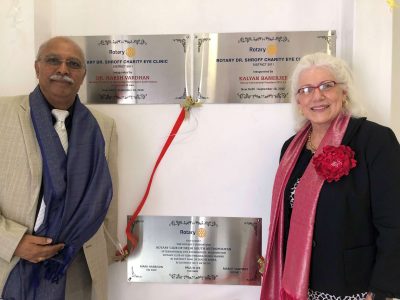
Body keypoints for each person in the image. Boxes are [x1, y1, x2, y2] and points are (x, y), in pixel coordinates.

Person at [260, 52, 400, 300]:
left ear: (343, 92)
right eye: (306, 90)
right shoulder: (291, 149)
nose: (317, 96)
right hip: (299, 285)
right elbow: (288, 219)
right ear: (299, 102)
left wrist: (382, 289)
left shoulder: (374, 140)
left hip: (354, 289)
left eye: (326, 86)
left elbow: (394, 222)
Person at [0, 36, 118, 300]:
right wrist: (12, 242)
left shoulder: (103, 126)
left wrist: (109, 250)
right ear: (37, 67)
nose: (63, 69)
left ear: (83, 75)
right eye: (53, 60)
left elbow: (107, 197)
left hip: (77, 263)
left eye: (73, 64)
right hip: (11, 264)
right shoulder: (2, 113)